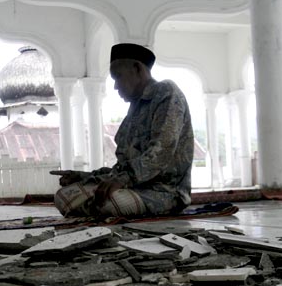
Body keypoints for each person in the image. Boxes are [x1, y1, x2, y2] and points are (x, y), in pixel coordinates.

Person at [52, 43, 194, 218]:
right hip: (133, 187)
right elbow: (121, 168)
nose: (115, 86)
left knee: (106, 203)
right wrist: (83, 176)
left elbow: (161, 153)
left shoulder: (167, 93)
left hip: (164, 193)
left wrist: (123, 179)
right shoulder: (134, 110)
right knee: (62, 196)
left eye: (118, 76)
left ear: (138, 69)